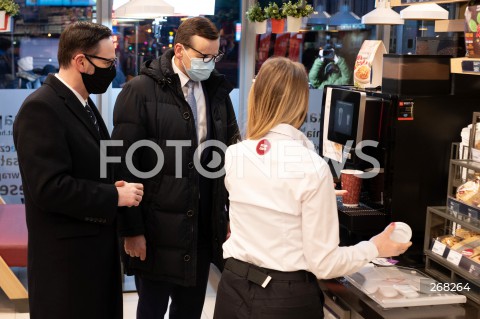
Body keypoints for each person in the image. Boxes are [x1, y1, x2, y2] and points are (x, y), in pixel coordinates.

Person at [213, 57, 412, 319]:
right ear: (301, 102)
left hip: (233, 288)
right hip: (284, 299)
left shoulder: (235, 154)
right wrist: (376, 247)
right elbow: (325, 264)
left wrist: (316, 196)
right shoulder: (312, 167)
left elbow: (266, 196)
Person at [13, 21, 144, 319]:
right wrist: (113, 196)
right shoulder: (41, 108)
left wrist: (131, 225)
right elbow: (49, 189)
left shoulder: (85, 104)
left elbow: (107, 165)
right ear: (81, 61)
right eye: (107, 62)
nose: (113, 69)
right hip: (67, 267)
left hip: (94, 257)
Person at [111, 16, 240, 319]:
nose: (209, 63)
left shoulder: (217, 93)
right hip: (157, 231)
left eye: (214, 56)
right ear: (179, 50)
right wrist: (132, 230)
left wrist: (232, 214)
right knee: (152, 310)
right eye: (202, 56)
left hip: (203, 230)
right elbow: (122, 166)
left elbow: (231, 155)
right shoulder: (140, 91)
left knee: (190, 311)